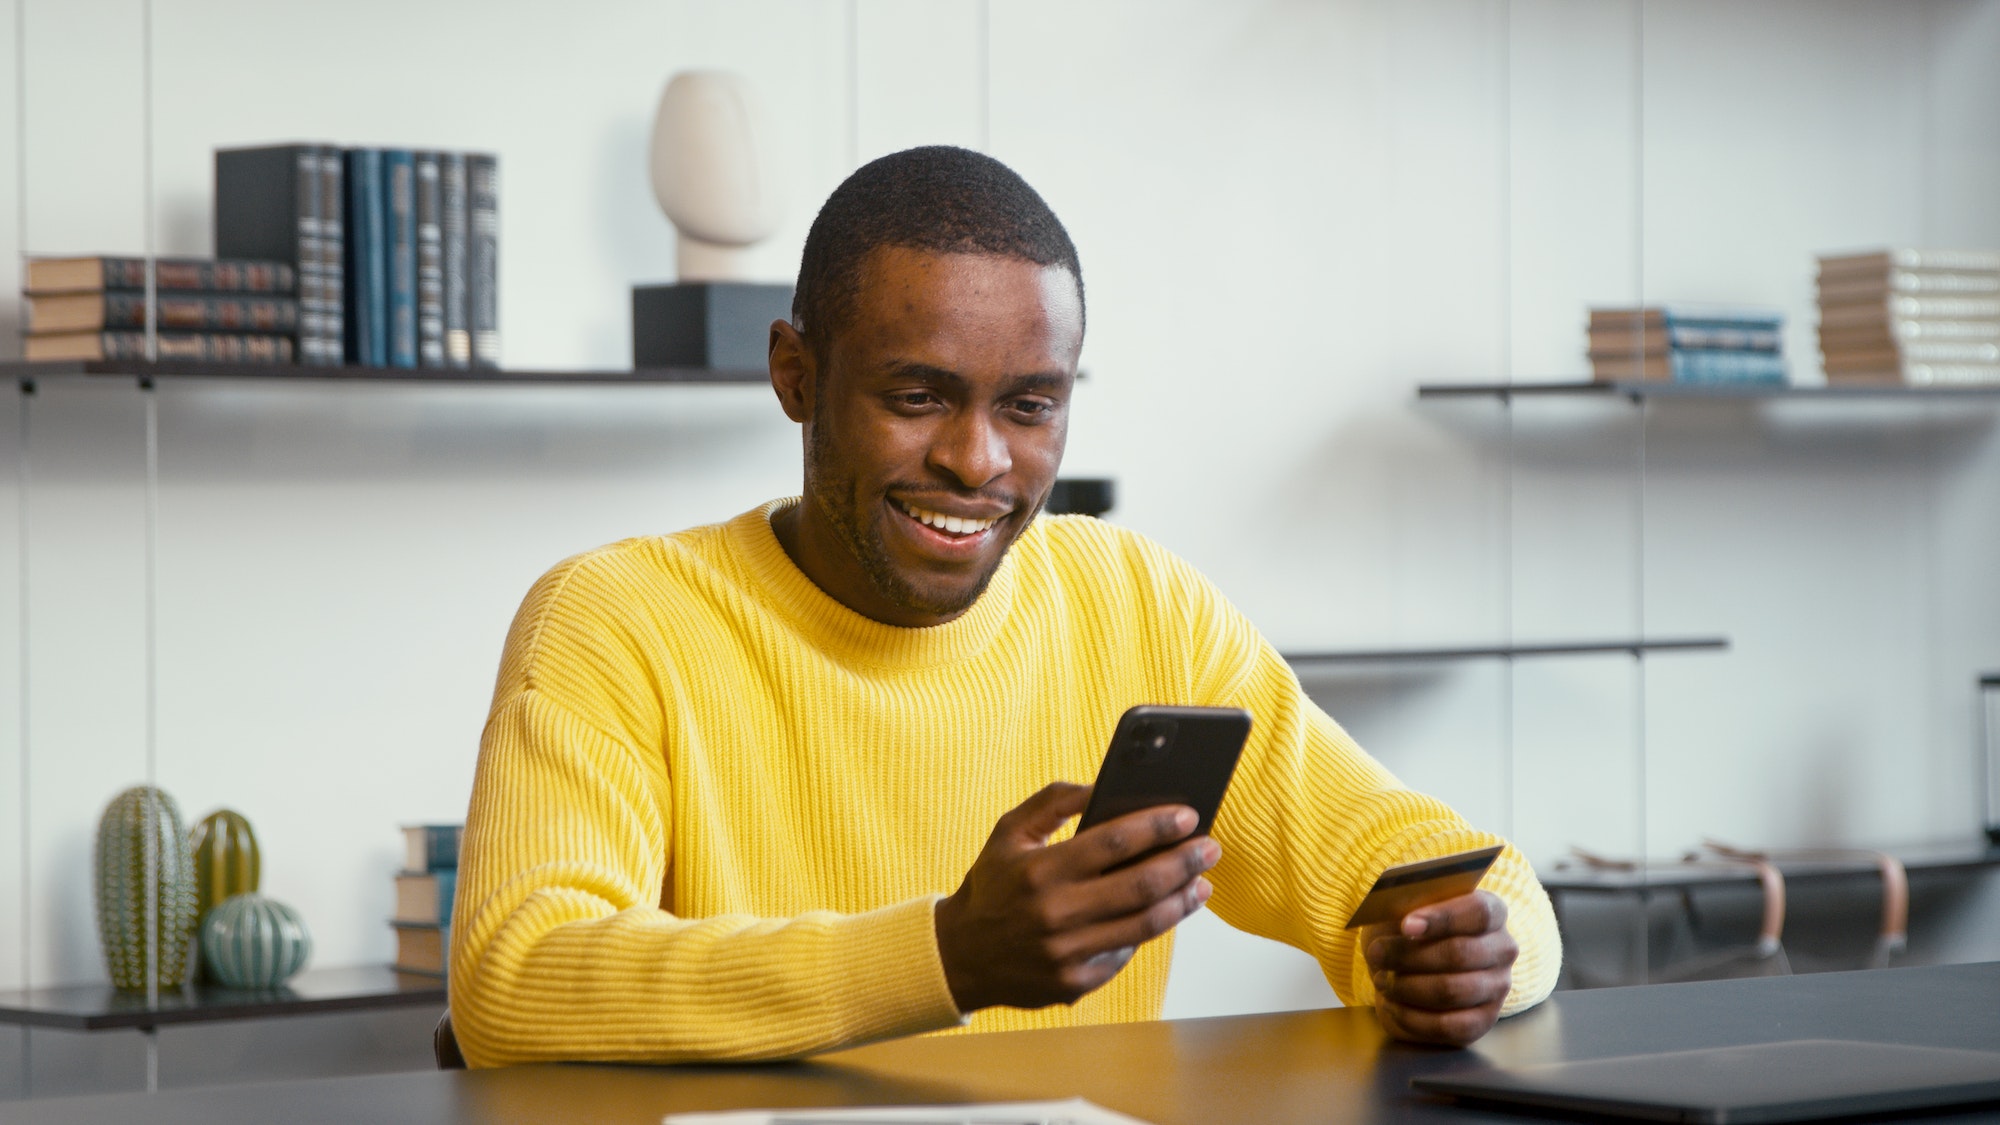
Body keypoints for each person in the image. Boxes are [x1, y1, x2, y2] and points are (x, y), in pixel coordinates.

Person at [448, 145, 1560, 1068]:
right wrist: (947, 955)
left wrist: (1469, 952)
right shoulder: (616, 617)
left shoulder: (1140, 607)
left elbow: (1449, 867)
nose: (977, 461)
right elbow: (514, 981)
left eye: (1028, 406)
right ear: (794, 374)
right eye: (915, 395)